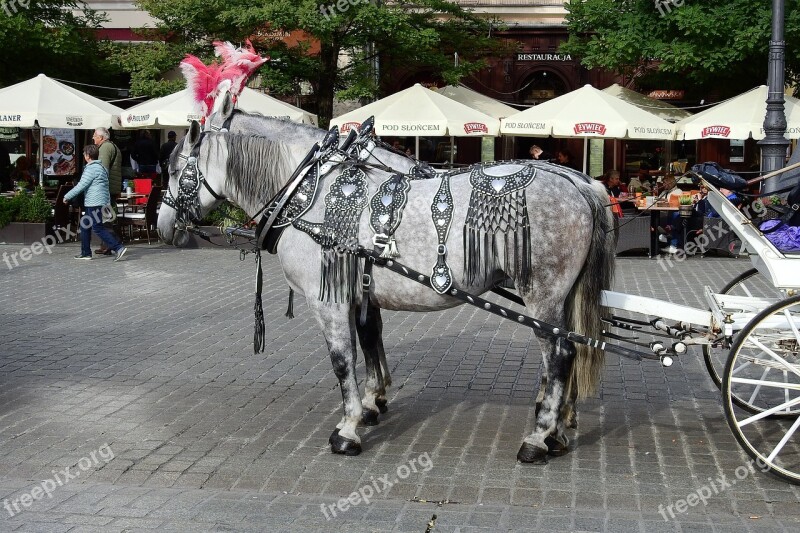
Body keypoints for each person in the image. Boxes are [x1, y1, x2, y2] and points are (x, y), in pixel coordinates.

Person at [64, 144, 127, 262]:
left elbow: (81, 186)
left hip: (94, 202)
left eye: (84, 154)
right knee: (84, 225)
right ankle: (86, 253)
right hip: (99, 201)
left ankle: (118, 247)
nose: (83, 155)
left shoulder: (91, 168)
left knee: (97, 227)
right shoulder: (102, 167)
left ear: (88, 156)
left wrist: (67, 196)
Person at [92, 128, 123, 256]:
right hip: (113, 186)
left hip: (107, 188)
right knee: (108, 215)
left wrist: (98, 187)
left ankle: (111, 243)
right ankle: (109, 243)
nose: (93, 138)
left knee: (106, 217)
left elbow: (102, 169)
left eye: (94, 136)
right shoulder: (114, 146)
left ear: (101, 137)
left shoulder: (105, 148)